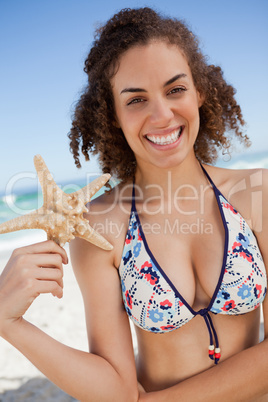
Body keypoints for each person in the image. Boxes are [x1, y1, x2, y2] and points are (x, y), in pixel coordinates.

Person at [0, 7, 267, 401]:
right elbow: (116, 389)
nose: (161, 115)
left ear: (200, 92)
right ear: (112, 116)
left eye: (175, 89)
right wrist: (9, 323)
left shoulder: (255, 192)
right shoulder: (99, 226)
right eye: (136, 99)